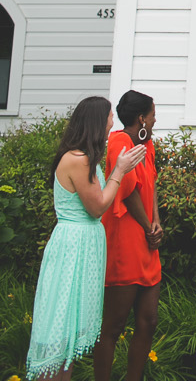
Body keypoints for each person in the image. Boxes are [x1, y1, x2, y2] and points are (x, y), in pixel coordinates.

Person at [25, 96, 145, 381]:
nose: (111, 125)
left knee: (70, 326)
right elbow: (98, 206)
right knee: (61, 321)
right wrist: (119, 170)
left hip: (84, 245)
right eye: (107, 121)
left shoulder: (84, 158)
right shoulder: (77, 160)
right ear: (95, 123)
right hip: (73, 247)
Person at [92, 91, 162, 381]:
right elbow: (129, 189)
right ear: (141, 117)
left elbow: (151, 184)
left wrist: (157, 221)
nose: (156, 118)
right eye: (153, 113)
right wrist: (148, 227)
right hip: (126, 237)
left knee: (148, 321)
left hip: (148, 238)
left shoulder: (148, 144)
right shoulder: (119, 141)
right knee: (114, 324)